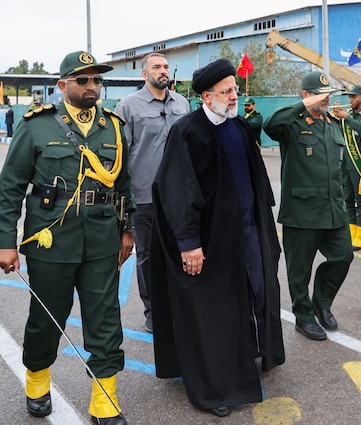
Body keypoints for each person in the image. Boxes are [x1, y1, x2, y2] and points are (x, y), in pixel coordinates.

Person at [0, 51, 135, 424]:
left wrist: (128, 230)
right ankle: (37, 381)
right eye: (83, 80)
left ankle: (105, 401)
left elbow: (124, 185)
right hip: (51, 240)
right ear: (62, 86)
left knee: (105, 319)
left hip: (103, 240)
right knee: (47, 319)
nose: (92, 86)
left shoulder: (113, 126)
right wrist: (5, 241)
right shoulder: (37, 126)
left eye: (96, 80)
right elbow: (10, 188)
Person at [149, 58, 285, 417]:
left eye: (234, 90)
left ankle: (252, 354)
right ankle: (215, 386)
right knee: (214, 311)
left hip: (248, 232)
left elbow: (255, 181)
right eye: (226, 92)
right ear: (207, 97)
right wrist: (189, 243)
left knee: (256, 293)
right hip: (209, 241)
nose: (233, 96)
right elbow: (179, 193)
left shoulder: (238, 126)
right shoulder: (188, 131)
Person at [263, 70, 354, 341]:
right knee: (299, 269)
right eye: (319, 94)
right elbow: (270, 125)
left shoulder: (333, 124)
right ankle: (303, 316)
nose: (326, 99)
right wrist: (304, 106)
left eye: (328, 95)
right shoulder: (292, 122)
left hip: (333, 209)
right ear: (305, 96)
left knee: (343, 256)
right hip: (302, 211)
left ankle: (321, 302)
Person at [114, 52, 191, 333]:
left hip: (179, 195)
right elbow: (121, 155)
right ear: (144, 74)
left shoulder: (182, 103)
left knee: (181, 249)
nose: (163, 71)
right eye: (156, 67)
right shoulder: (128, 106)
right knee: (147, 254)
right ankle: (153, 310)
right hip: (144, 196)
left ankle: (180, 305)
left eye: (166, 66)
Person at [332, 84, 361, 250]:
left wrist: (345, 118)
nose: (351, 100)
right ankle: (351, 232)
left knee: (360, 200)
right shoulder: (347, 115)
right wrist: (336, 117)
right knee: (347, 199)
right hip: (345, 164)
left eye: (354, 97)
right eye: (349, 97)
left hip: (359, 165)